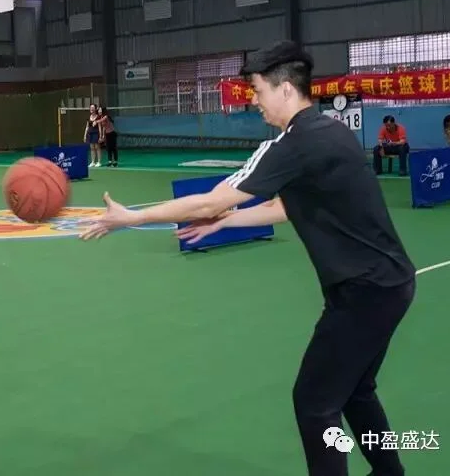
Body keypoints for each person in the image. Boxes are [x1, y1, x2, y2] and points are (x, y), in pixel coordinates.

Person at [80, 40, 416, 476]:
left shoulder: (291, 145)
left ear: (285, 89)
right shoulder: (332, 132)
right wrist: (225, 223)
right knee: (355, 390)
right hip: (392, 283)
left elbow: (209, 201)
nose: (254, 101)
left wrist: (132, 217)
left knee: (315, 403)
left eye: (257, 91)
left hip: (362, 292)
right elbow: (286, 207)